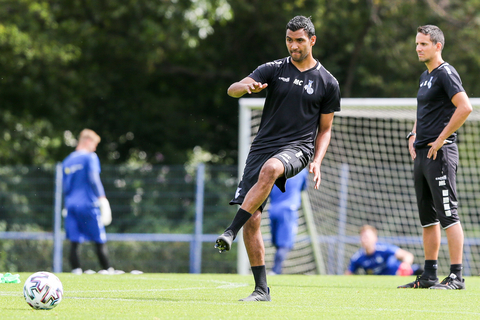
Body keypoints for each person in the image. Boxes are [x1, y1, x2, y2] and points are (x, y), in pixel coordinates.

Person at [215, 16, 341, 301]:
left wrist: (317, 160)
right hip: (262, 147)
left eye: (299, 40)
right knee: (254, 221)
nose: (293, 46)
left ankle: (229, 231)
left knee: (272, 168)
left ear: (312, 40)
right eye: (289, 40)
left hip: (299, 148)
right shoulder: (273, 69)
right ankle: (262, 290)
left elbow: (325, 130)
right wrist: (246, 87)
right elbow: (232, 89)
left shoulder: (327, 82)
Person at [398, 25, 472, 290]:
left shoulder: (446, 73)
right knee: (427, 219)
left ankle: (456, 277)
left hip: (440, 153)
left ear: (437, 46)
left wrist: (441, 140)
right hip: (422, 153)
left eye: (424, 44)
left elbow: (465, 107)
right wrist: (413, 133)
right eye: (417, 44)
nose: (418, 48)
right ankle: (429, 275)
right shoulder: (425, 76)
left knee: (448, 215)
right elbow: (424, 110)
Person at [62, 129, 118, 275]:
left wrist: (66, 205)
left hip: (71, 206)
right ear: (87, 141)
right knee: (99, 239)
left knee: (74, 241)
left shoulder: (67, 161)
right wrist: (103, 200)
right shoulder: (90, 157)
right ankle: (107, 269)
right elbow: (94, 179)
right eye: (94, 144)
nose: (94, 148)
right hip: (88, 205)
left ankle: (76, 271)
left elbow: (65, 186)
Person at [268, 168, 308, 275]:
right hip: (288, 210)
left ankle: (276, 271)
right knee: (285, 244)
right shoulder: (301, 170)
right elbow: (303, 188)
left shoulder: (275, 168)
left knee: (277, 244)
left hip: (273, 209)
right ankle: (275, 271)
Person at [345, 225, 423, 276]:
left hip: (400, 274)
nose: (365, 240)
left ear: (375, 238)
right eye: (363, 237)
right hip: (382, 282)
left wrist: (405, 265)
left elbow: (408, 255)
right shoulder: (358, 257)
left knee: (421, 271)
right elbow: (348, 274)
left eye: (367, 237)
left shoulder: (383, 249)